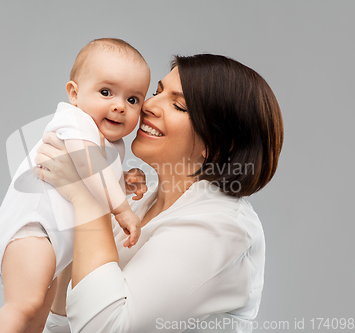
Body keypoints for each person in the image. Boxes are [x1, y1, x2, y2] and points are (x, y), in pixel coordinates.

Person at [34, 54, 284, 333]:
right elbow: (61, 324)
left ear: (218, 143)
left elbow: (105, 328)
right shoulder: (140, 204)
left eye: (178, 106)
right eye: (156, 92)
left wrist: (86, 198)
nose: (148, 105)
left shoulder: (222, 228)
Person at [0, 38, 151, 333]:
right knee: (23, 305)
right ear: (74, 94)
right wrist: (123, 208)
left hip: (52, 243)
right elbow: (87, 165)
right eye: (105, 92)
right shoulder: (74, 121)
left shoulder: (111, 143)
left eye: (133, 100)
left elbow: (91, 180)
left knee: (37, 318)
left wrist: (123, 182)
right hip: (33, 231)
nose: (119, 106)